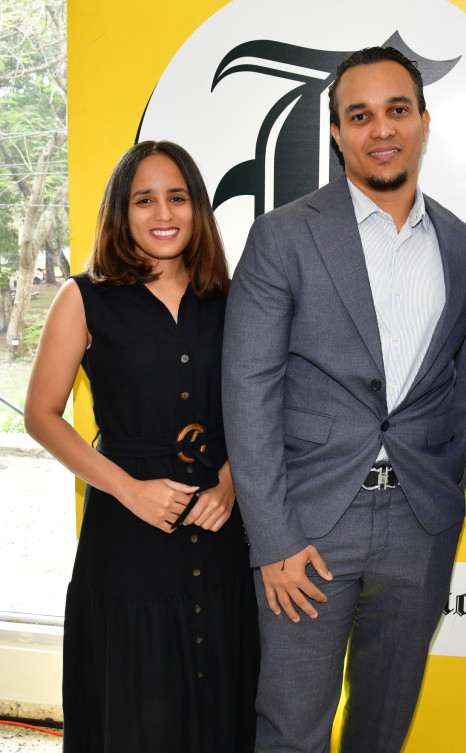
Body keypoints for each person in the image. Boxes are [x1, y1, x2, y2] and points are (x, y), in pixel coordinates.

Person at [222, 46, 466, 753]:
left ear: (424, 121)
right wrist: (274, 538)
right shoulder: (283, 237)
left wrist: (433, 488)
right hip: (306, 528)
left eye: (397, 110)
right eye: (360, 115)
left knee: (383, 729)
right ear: (338, 132)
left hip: (420, 526)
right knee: (291, 729)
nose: (382, 129)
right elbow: (248, 391)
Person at [24, 141, 259, 753]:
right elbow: (41, 416)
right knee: (138, 711)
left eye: (177, 197)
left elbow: (258, 409)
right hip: (127, 537)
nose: (163, 212)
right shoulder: (84, 297)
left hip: (220, 531)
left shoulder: (232, 300)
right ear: (121, 213)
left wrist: (231, 480)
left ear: (198, 209)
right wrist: (128, 489)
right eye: (144, 199)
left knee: (222, 703)